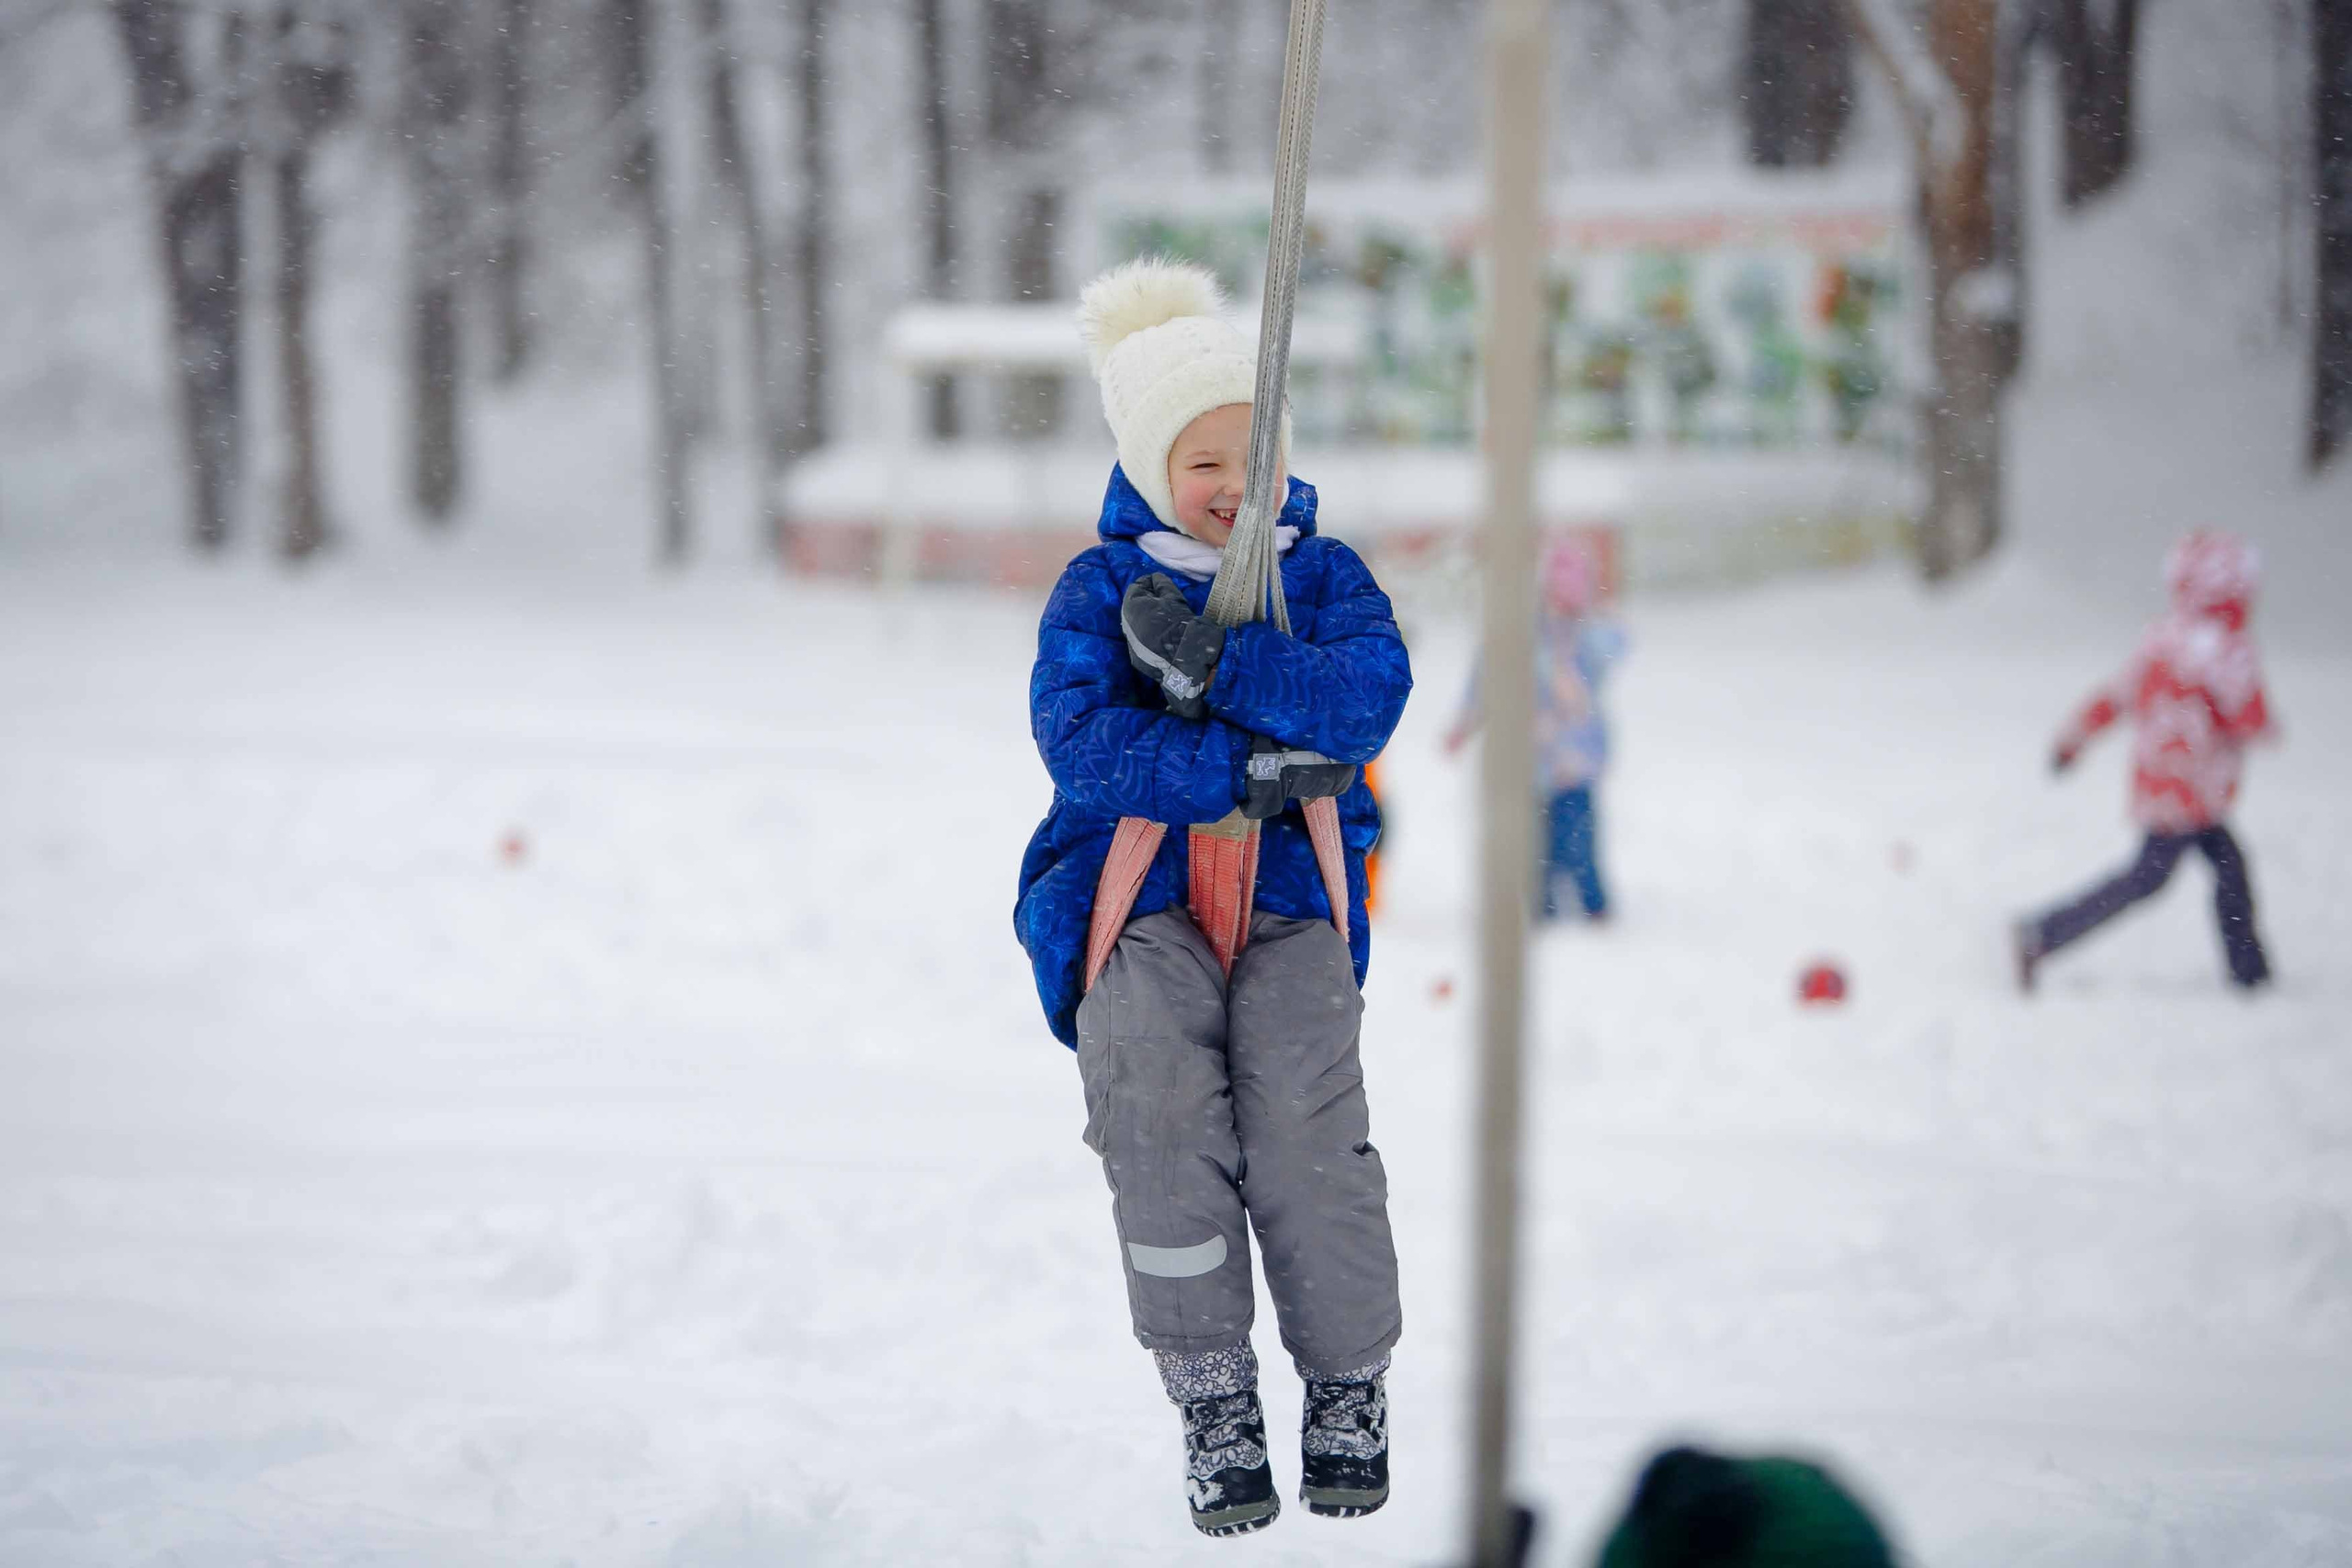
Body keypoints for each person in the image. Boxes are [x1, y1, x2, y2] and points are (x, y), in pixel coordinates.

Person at [1012, 259, 1412, 1538]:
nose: (1234, 485)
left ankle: (1346, 1381)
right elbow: (1086, 746)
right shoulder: (1097, 592)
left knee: (1304, 1124)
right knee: (1162, 1112)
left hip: (1293, 903)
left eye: (1255, 452)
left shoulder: (1324, 578)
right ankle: (1211, 1392)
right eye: (1202, 462)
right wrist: (1233, 763)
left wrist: (1228, 657)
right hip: (1139, 908)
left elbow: (1362, 703)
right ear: (1146, 466)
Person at [2014, 530, 2276, 992]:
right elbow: (2248, 719)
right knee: (2154, 879)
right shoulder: (2223, 653)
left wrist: (2070, 742)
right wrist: (2255, 720)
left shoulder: (2165, 641)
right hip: (2189, 794)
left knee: (2217, 871)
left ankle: (2249, 969)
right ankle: (2042, 934)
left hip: (2173, 791)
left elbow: (2115, 698)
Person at [1444, 539, 1627, 922]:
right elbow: (1487, 678)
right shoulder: (1525, 636)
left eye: (1571, 596)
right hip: (1531, 760)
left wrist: (1582, 637)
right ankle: (1542, 903)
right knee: (1535, 840)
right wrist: (1465, 723)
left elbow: (1613, 650)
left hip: (1576, 761)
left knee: (1578, 836)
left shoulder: (1588, 638)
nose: (1563, 605)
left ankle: (1594, 902)